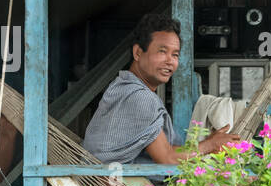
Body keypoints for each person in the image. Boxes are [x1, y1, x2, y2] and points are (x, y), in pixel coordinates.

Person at [83, 13, 241, 165]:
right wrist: (211, 145)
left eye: (175, 55)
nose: (170, 61)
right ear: (138, 52)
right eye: (162, 51)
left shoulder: (122, 87)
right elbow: (168, 158)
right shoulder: (139, 98)